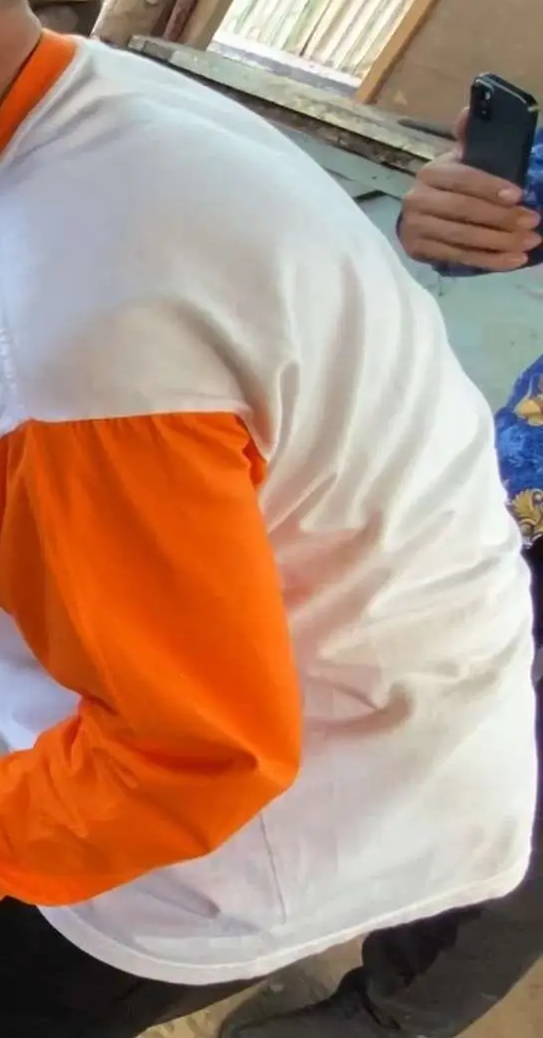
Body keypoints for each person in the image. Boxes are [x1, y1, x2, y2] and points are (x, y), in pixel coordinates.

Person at [0, 0, 537, 1036]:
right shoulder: (89, 111)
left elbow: (188, 767)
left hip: (259, 809)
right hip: (264, 660)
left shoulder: (73, 358)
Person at [221, 113, 543, 1038]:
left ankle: (389, 1015)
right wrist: (452, 213)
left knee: (524, 839)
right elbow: (500, 219)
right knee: (412, 706)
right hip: (517, 503)